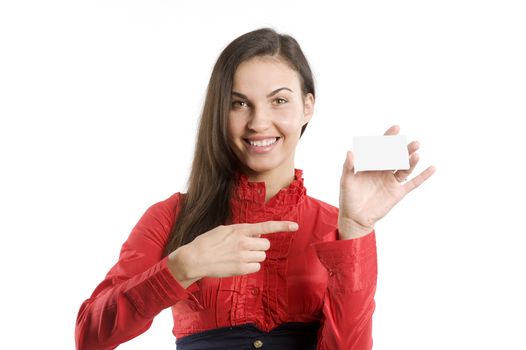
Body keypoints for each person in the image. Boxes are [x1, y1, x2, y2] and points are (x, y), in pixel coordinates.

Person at [75, 27, 435, 350]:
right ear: (220, 111)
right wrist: (179, 267)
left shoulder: (336, 226)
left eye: (279, 100)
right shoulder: (171, 217)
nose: (259, 122)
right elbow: (89, 337)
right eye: (239, 103)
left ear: (307, 107)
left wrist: (356, 230)